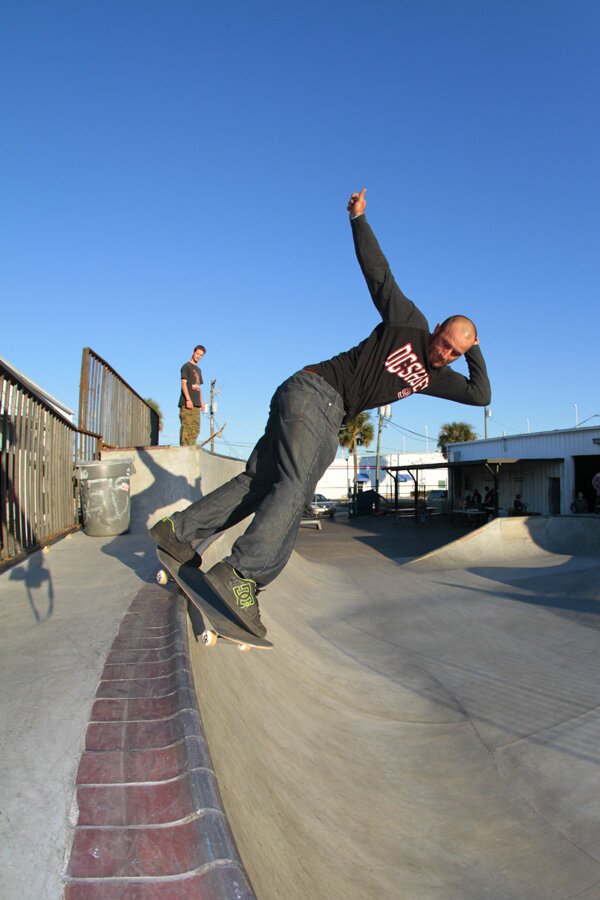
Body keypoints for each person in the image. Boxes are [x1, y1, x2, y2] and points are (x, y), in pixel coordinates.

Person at [150, 189, 491, 637]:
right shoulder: (408, 322)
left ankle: (178, 531)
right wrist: (359, 220)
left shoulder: (438, 376)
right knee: (294, 488)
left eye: (454, 350)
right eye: (445, 341)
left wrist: (476, 351)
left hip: (307, 399)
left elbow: (480, 395)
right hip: (317, 396)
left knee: (261, 481)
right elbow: (379, 274)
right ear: (438, 327)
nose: (444, 352)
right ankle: (240, 576)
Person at [179, 345, 206, 446]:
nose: (198, 356)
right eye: (197, 353)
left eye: (201, 355)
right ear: (193, 352)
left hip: (196, 405)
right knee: (187, 428)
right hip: (187, 404)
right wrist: (188, 399)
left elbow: (198, 388)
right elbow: (183, 383)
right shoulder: (186, 366)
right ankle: (184, 451)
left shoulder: (198, 370)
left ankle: (191, 450)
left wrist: (201, 403)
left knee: (195, 429)